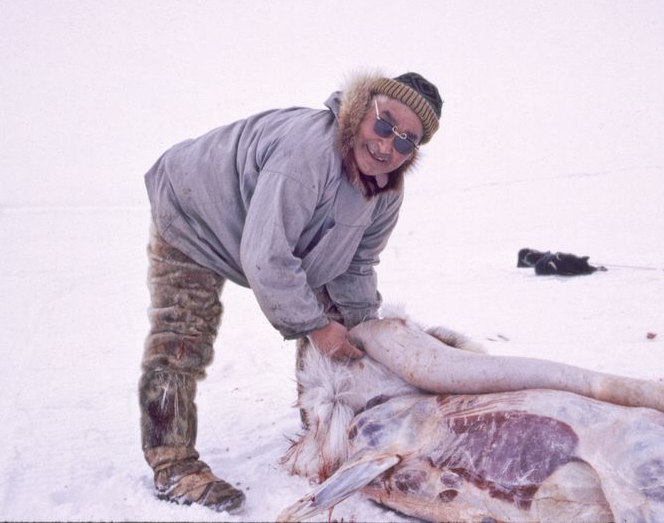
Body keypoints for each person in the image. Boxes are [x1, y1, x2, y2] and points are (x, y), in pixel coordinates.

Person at [138, 71, 443, 512]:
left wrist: (362, 330)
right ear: (361, 111)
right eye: (384, 125)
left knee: (337, 314)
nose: (385, 146)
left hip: (263, 231)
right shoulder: (308, 154)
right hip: (191, 211)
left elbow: (355, 265)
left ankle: (321, 427)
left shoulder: (385, 193)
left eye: (405, 142)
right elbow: (266, 256)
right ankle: (172, 466)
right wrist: (317, 329)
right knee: (183, 334)